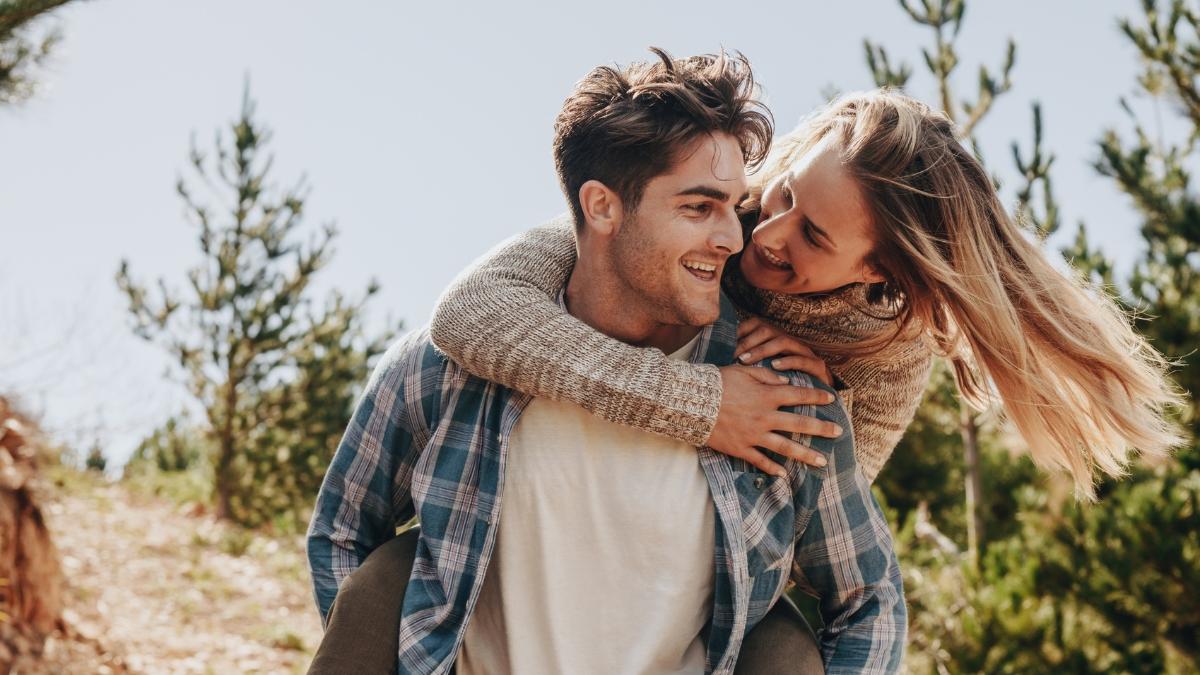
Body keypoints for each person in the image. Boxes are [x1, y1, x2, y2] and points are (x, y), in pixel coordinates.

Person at [307, 49, 905, 675]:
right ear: (602, 207)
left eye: (733, 205)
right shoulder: (457, 364)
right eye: (698, 208)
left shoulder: (784, 398)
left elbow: (870, 599)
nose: (737, 237)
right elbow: (343, 529)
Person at [429, 87, 1184, 498]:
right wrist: (705, 402)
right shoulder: (715, 213)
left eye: (815, 237)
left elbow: (816, 538)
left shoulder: (887, 351)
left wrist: (825, 407)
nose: (766, 234)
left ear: (879, 274)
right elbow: (474, 312)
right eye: (785, 194)